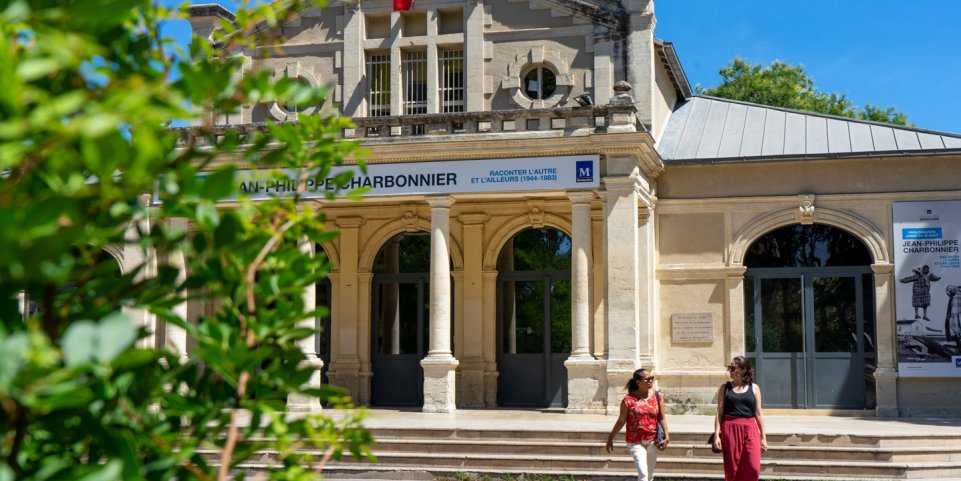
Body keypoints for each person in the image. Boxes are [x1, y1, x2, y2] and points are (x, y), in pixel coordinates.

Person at [605, 368, 670, 481]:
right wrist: (610, 438)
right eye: (647, 379)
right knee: (643, 475)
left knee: (649, 475)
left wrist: (667, 437)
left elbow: (662, 418)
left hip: (653, 440)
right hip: (635, 441)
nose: (650, 381)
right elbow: (621, 421)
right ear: (638, 382)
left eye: (652, 379)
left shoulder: (658, 397)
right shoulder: (628, 400)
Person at [712, 356, 767, 481]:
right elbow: (719, 413)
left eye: (732, 368)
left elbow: (759, 413)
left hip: (750, 428)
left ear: (743, 370)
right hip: (730, 429)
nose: (729, 371)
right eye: (729, 368)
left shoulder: (754, 388)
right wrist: (716, 435)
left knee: (753, 467)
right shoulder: (724, 388)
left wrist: (763, 437)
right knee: (732, 469)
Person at [945, 285, 961, 352]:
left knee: (957, 334)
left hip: (955, 316)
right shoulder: (955, 295)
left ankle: (959, 347)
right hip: (955, 316)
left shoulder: (955, 296)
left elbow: (953, 312)